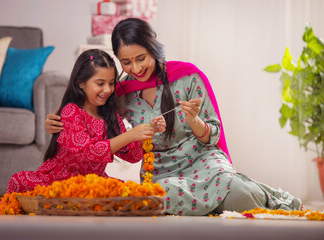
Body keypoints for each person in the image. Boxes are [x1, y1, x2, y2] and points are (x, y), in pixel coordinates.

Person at [45, 18, 302, 216]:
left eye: (141, 58)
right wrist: (59, 122)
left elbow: (213, 134)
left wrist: (195, 121)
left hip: (203, 159)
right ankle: (213, 203)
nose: (135, 69)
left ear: (153, 48)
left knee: (243, 198)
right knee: (159, 196)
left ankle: (255, 195)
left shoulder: (188, 76)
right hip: (161, 171)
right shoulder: (120, 93)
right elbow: (89, 113)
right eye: (126, 62)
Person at [0, 49, 165, 214]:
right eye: (100, 83)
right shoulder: (71, 111)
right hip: (59, 181)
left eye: (112, 83)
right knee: (22, 181)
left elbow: (132, 155)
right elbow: (89, 152)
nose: (107, 89)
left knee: (128, 192)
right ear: (80, 83)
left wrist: (147, 133)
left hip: (91, 183)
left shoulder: (110, 114)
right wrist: (130, 134)